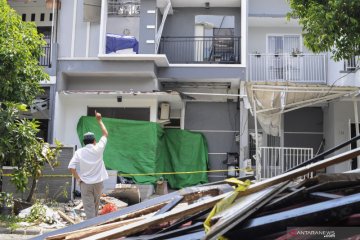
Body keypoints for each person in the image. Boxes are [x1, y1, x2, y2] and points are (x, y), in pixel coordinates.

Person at [68, 111, 109, 219]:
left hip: (85, 183)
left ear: (84, 142)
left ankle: (92, 228)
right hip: (98, 183)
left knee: (89, 208)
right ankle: (94, 227)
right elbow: (105, 134)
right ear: (94, 141)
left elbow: (71, 168)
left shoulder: (79, 152)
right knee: (95, 206)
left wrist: (79, 179)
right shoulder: (99, 148)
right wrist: (99, 120)